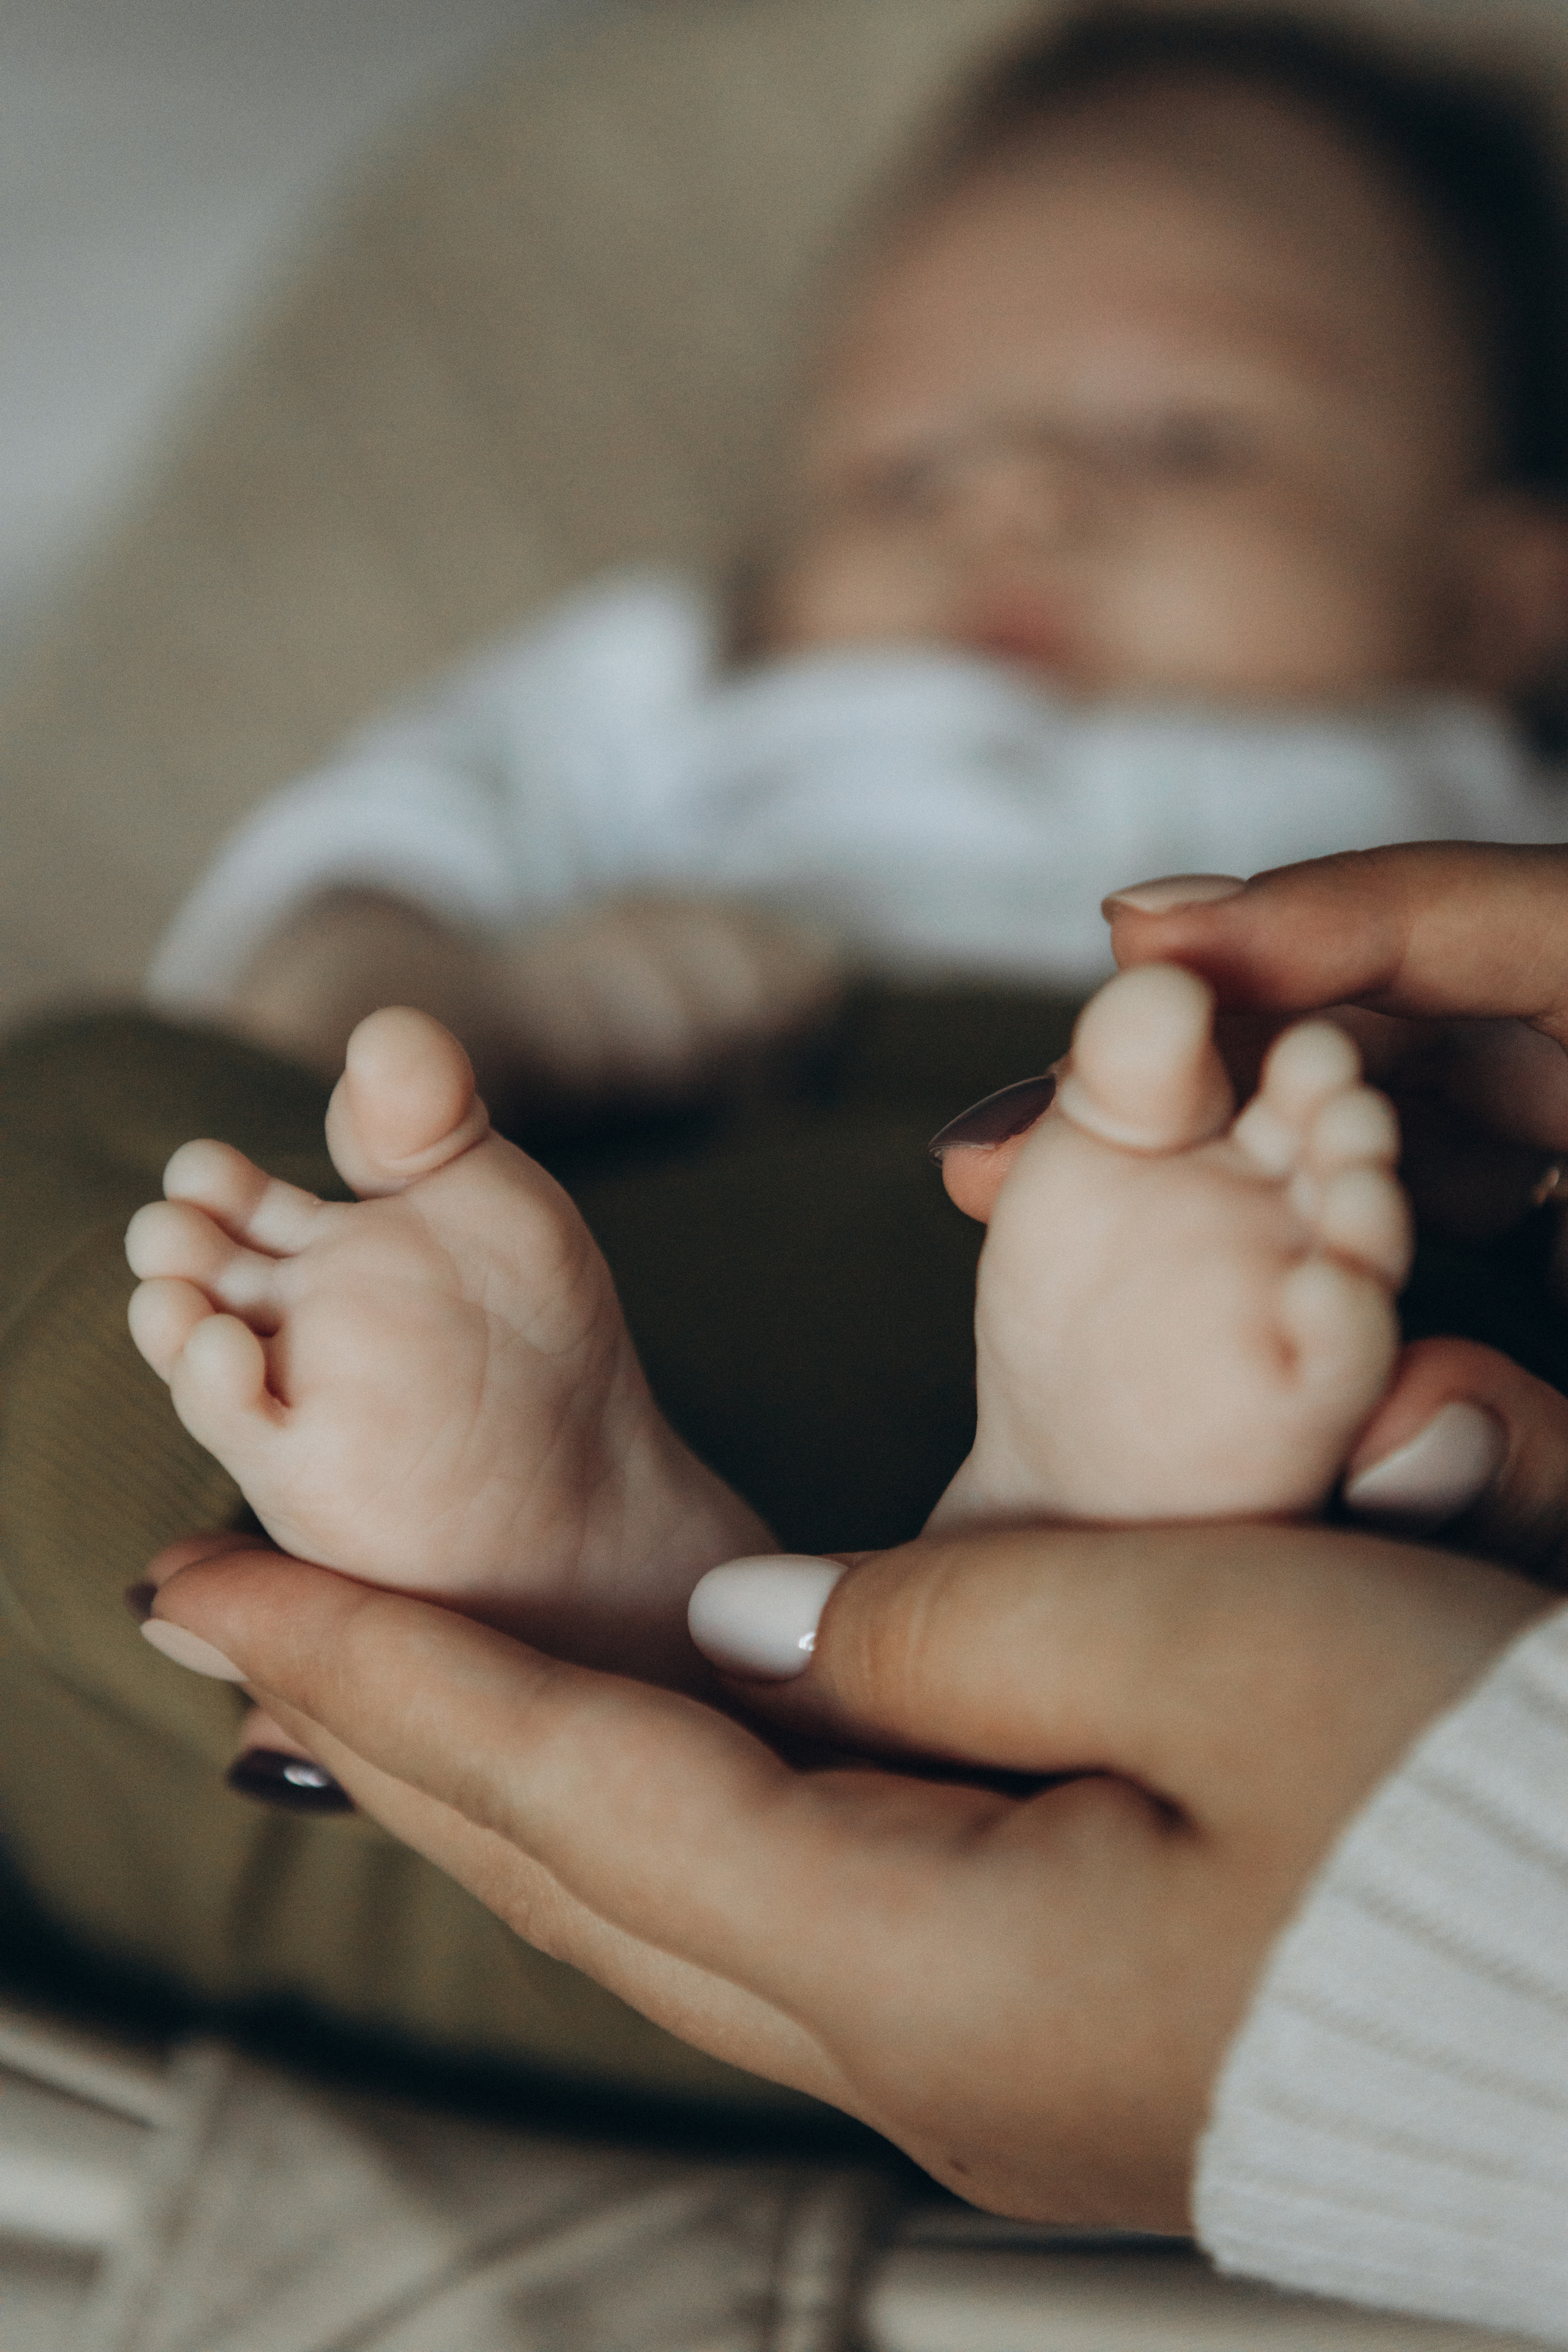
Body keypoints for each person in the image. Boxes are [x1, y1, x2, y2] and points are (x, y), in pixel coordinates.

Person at [134, 841, 1568, 2343]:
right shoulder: (664, 731)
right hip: (974, 1097)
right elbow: (380, 851)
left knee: (85, 1127)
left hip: (954, 1098)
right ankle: (1069, 1543)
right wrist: (502, 1003)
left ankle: (957, 1559)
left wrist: (1437, 1994)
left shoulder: (1452, 790)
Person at [146, 5, 1568, 1117]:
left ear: (1493, 601)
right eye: (904, 473)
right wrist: (462, 1020)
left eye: (1179, 441)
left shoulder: (1500, 831)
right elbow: (349, 868)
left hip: (1262, 1189)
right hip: (695, 1167)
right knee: (104, 1092)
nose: (1012, 503)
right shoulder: (680, 679)